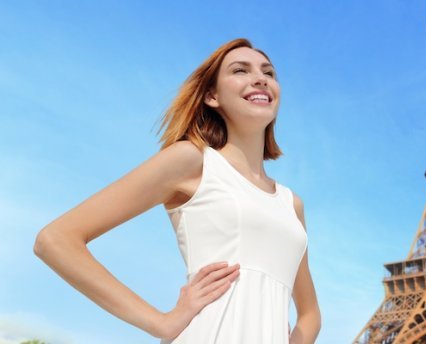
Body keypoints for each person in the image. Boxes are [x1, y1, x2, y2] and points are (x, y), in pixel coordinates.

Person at [33, 38, 321, 343]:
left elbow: (310, 314)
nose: (260, 78)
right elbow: (55, 240)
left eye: (269, 73)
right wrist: (160, 323)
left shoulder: (291, 204)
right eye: (241, 70)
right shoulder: (192, 160)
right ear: (212, 96)